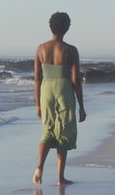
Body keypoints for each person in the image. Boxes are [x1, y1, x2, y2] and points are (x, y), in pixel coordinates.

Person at [32, 12, 86, 185]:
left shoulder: (41, 48)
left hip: (46, 89)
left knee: (47, 130)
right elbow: (76, 79)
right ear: (67, 27)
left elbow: (36, 78)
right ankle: (60, 178)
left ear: (51, 27)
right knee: (63, 131)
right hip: (64, 88)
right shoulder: (71, 50)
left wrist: (38, 104)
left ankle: (39, 167)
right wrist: (81, 105)